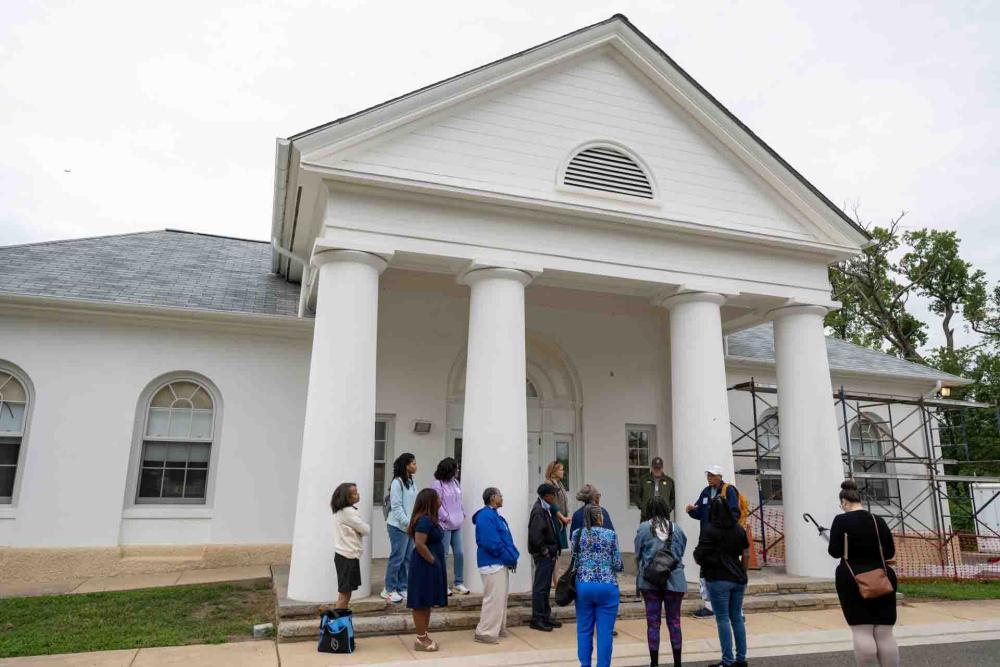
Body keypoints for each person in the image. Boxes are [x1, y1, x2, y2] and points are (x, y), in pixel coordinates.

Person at [827, 480, 899, 667]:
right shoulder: (878, 520)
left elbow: (834, 551)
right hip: (882, 577)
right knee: (885, 633)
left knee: (862, 631)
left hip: (852, 578)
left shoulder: (840, 520)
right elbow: (889, 552)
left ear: (844, 502)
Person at [694, 496, 750, 667]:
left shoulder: (709, 530)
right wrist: (743, 572)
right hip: (738, 577)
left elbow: (700, 555)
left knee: (723, 619)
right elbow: (746, 554)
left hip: (718, 577)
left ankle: (727, 660)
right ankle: (741, 658)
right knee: (737, 618)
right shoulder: (738, 529)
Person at [635, 495, 687, 667]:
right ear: (667, 509)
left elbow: (638, 553)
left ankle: (654, 662)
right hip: (675, 580)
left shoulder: (644, 528)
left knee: (653, 622)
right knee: (674, 621)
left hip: (650, 581)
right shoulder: (677, 529)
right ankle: (677, 662)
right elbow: (680, 552)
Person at [685, 464, 740, 618]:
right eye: (708, 475)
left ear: (720, 476)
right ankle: (710, 606)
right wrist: (691, 511)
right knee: (705, 572)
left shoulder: (728, 491)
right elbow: (699, 513)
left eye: (712, 475)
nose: (709, 478)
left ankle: (733, 608)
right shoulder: (706, 492)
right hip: (707, 541)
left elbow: (735, 514)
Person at [572, 504, 624, 667]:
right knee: (605, 633)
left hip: (584, 585)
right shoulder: (610, 535)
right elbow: (618, 564)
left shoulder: (577, 534)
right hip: (607, 585)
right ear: (600, 517)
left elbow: (576, 560)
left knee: (584, 630)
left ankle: (585, 664)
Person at [472, 486, 520, 644]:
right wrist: (509, 556)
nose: (502, 497)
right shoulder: (485, 516)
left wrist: (511, 557)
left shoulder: (495, 516)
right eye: (500, 495)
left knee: (500, 598)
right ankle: (484, 632)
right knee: (493, 598)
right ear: (493, 497)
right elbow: (491, 543)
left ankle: (497, 627)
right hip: (492, 563)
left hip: (499, 562)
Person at [406, 487, 449, 652]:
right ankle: (420, 638)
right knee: (420, 601)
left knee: (427, 601)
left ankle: (424, 634)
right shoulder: (424, 520)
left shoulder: (431, 519)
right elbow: (419, 544)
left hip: (431, 565)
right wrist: (433, 560)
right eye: (437, 498)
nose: (440, 500)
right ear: (430, 501)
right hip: (424, 565)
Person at [430, 457, 470, 595]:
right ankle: (442, 584)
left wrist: (462, 512)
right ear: (448, 469)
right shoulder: (437, 484)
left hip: (457, 524)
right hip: (444, 525)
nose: (457, 471)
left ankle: (458, 583)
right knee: (444, 555)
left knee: (459, 553)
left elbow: (459, 501)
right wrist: (446, 517)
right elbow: (436, 504)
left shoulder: (455, 482)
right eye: (455, 468)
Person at [527, 482, 563, 631]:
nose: (555, 496)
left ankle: (545, 616)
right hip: (544, 555)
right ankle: (537, 618)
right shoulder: (538, 510)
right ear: (546, 495)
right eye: (553, 494)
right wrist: (545, 552)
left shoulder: (546, 509)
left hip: (549, 553)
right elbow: (536, 535)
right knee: (540, 587)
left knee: (546, 587)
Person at [382, 453, 417, 603]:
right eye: (413, 463)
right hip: (398, 526)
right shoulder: (397, 483)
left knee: (407, 559)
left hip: (409, 526)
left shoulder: (411, 481)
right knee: (397, 557)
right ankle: (389, 589)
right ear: (406, 466)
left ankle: (402, 587)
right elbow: (396, 506)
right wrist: (407, 524)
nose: (416, 466)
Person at [330, 482, 371, 610]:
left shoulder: (343, 511)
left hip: (346, 555)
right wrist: (361, 528)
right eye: (354, 493)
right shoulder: (348, 513)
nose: (357, 495)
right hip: (347, 556)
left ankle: (339, 621)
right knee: (344, 595)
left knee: (345, 594)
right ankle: (337, 625)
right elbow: (365, 529)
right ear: (345, 497)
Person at [545, 461, 571, 586]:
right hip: (555, 521)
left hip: (561, 520)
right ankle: (552, 580)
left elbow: (564, 501)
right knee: (554, 551)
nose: (563, 472)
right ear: (554, 471)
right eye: (561, 469)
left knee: (558, 552)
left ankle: (556, 579)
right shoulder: (549, 484)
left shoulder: (559, 484)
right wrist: (562, 517)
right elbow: (552, 505)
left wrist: (567, 515)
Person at [638, 456, 676, 521]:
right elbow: (637, 497)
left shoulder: (669, 481)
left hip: (664, 517)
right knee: (646, 531)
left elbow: (673, 499)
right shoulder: (643, 480)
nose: (657, 470)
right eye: (655, 468)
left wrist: (667, 509)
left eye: (659, 468)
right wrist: (643, 508)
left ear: (662, 468)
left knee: (664, 531)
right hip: (646, 517)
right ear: (652, 468)